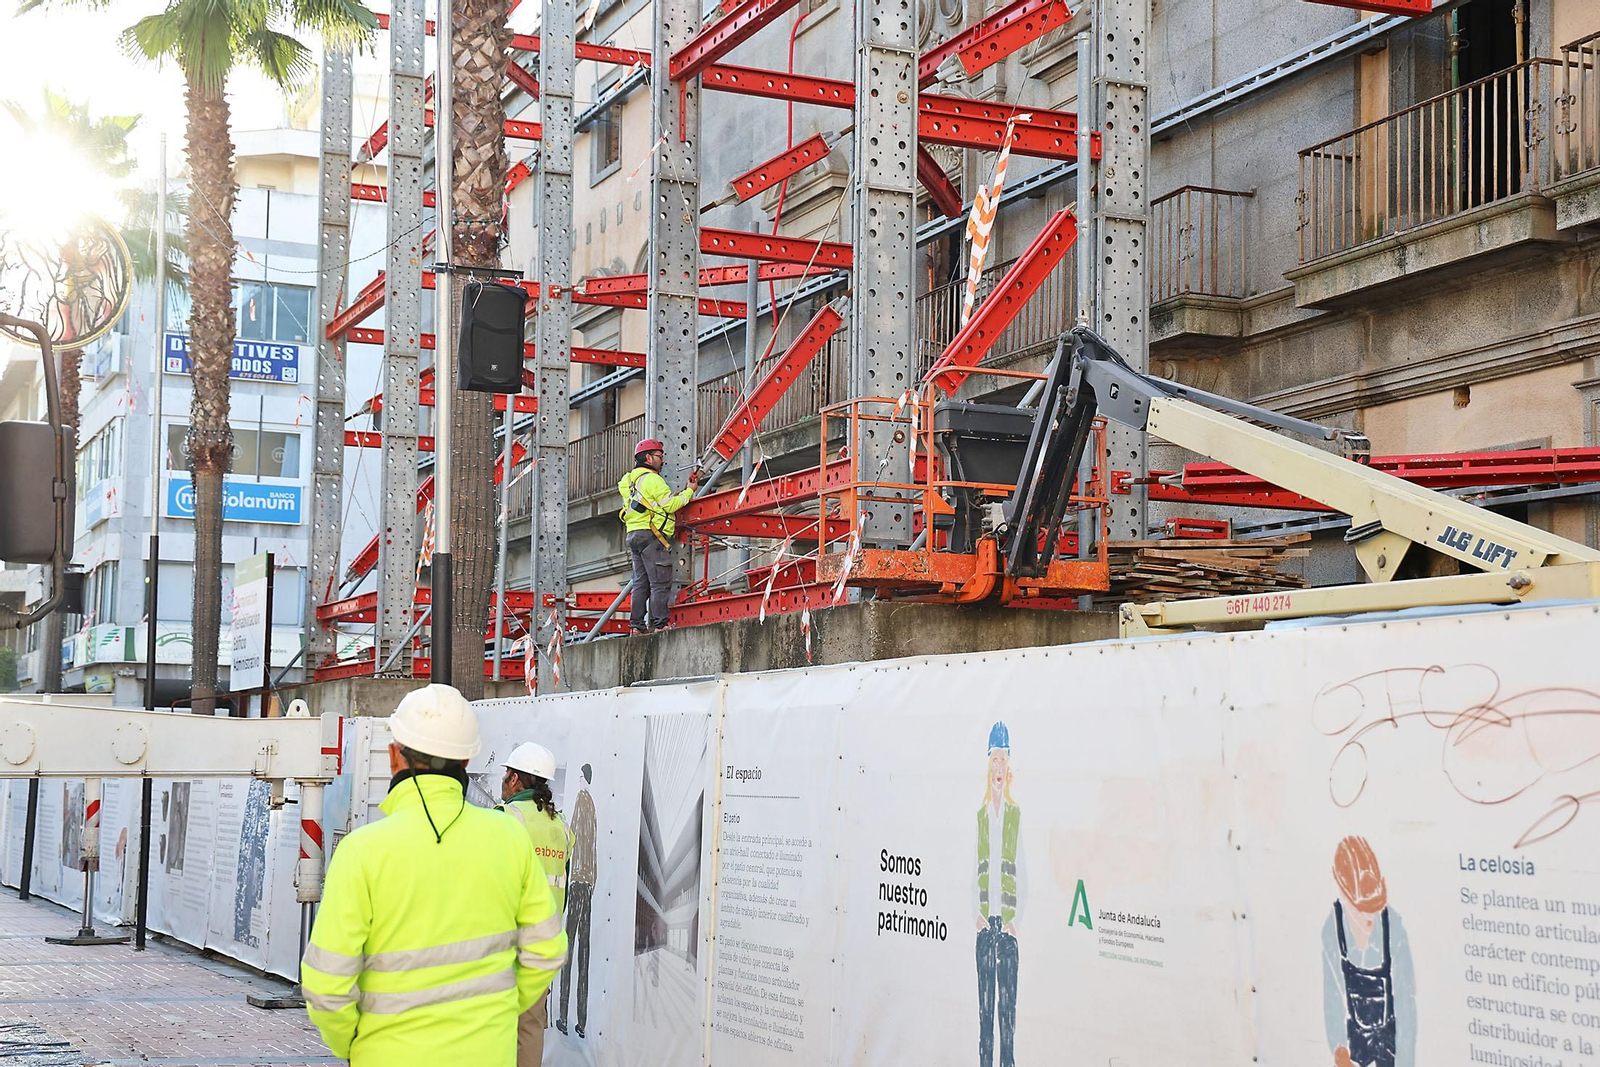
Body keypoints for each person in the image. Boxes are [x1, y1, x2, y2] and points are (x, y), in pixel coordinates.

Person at [301, 685, 568, 1066]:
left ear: (394, 756)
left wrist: (359, 1044)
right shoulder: (509, 837)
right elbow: (547, 950)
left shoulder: (363, 851)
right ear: (467, 759)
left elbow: (326, 982)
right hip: (487, 1053)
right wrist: (497, 1015)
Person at [498, 742, 574, 1067]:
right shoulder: (560, 826)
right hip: (544, 940)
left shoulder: (507, 818)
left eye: (506, 774)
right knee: (530, 1026)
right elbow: (564, 888)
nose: (502, 780)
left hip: (507, 940)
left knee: (493, 1023)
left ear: (515, 780)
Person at [1322, 835, 1415, 1067]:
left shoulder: (1393, 927)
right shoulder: (1333, 928)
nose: (1368, 917)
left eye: (1374, 909)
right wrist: (1340, 1050)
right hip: (1355, 1039)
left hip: (1390, 1037)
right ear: (1343, 895)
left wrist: (1405, 1061)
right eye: (1361, 909)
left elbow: (1406, 1002)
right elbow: (1332, 996)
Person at [617, 438, 699, 634]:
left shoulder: (628, 481)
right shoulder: (653, 479)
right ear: (648, 457)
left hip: (634, 534)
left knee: (640, 582)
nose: (662, 461)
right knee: (660, 582)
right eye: (659, 457)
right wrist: (689, 491)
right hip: (652, 536)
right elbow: (669, 505)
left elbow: (653, 503)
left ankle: (637, 626)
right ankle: (660, 625)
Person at [975, 721, 1022, 1067]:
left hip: (1006, 931)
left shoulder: (1015, 815)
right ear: (987, 765)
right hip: (983, 928)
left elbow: (1025, 871)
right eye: (994, 759)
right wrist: (974, 915)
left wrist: (1016, 921)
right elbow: (970, 868)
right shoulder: (979, 816)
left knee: (1007, 1020)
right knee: (985, 1019)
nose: (999, 767)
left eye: (1003, 759)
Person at [556, 763, 597, 1038]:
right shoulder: (593, 806)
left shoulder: (581, 801)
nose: (579, 780)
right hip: (589, 883)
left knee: (568, 951)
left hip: (578, 881)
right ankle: (581, 1023)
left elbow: (571, 839)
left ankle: (562, 1016)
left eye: (580, 777)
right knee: (583, 953)